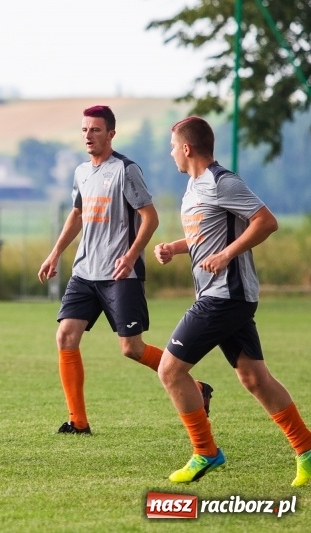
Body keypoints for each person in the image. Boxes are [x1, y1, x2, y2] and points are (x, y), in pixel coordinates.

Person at [154, 116, 311, 486]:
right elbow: (207, 234)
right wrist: (175, 247)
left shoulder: (222, 181)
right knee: (255, 378)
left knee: (170, 371)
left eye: (173, 147)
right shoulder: (193, 187)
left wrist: (226, 255)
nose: (171, 153)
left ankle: (206, 452)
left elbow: (266, 221)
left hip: (225, 295)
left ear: (187, 148)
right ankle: (307, 450)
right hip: (223, 295)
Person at [37, 105, 212, 435]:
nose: (88, 135)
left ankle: (197, 387)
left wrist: (131, 256)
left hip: (120, 274)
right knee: (65, 336)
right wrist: (55, 253)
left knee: (131, 348)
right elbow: (77, 214)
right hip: (84, 272)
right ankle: (78, 421)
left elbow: (150, 218)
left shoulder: (126, 170)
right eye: (84, 130)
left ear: (111, 134)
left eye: (96, 130)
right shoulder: (81, 172)